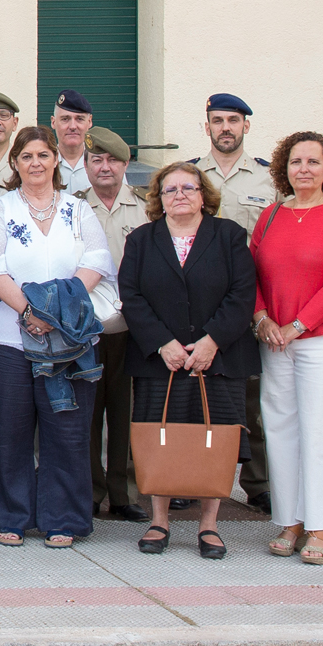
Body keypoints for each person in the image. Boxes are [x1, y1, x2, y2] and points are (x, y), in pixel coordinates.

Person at [0, 125, 110, 549]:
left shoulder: (77, 209)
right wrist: (31, 312)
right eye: (27, 156)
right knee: (9, 430)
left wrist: (54, 313)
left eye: (43, 155)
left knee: (66, 430)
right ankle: (12, 515)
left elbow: (97, 261)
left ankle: (63, 518)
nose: (35, 163)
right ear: (15, 163)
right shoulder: (0, 210)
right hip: (6, 338)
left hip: (67, 340)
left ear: (56, 161)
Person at [116, 162, 257, 559]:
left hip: (219, 357)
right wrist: (163, 343)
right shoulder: (142, 240)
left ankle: (209, 525)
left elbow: (242, 293)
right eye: (169, 189)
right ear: (158, 199)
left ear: (203, 195)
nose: (179, 195)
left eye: (188, 188)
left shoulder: (229, 236)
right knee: (162, 437)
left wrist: (212, 341)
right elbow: (131, 295)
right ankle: (159, 520)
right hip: (160, 359)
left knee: (216, 440)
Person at [252, 131, 323, 566]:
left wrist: (299, 325)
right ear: (285, 168)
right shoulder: (271, 215)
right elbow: (253, 274)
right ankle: (290, 521)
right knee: (280, 429)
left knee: (320, 432)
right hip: (274, 338)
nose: (304, 169)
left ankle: (320, 527)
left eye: (313, 162)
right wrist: (262, 318)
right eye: (296, 162)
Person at [195, 90, 275, 511]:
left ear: (247, 126)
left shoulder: (269, 180)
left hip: (252, 301)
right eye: (218, 120)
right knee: (194, 394)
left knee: (254, 396)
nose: (225, 127)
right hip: (197, 304)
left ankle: (258, 483)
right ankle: (190, 477)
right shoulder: (189, 175)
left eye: (233, 120)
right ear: (206, 126)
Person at [82, 128, 149, 523]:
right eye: (96, 160)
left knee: (126, 412)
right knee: (88, 413)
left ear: (125, 165)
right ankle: (90, 489)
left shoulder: (146, 208)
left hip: (132, 326)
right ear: (87, 166)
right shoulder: (72, 207)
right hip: (87, 327)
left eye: (112, 161)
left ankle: (122, 493)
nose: (104, 167)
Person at [50, 91, 95, 196]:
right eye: (65, 119)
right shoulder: (42, 165)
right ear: (53, 122)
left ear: (89, 122)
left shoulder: (102, 165)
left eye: (79, 119)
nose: (73, 126)